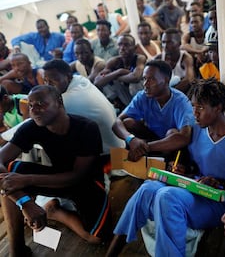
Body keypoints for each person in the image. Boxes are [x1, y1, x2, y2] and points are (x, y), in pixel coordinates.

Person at [106, 78, 225, 256]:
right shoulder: (198, 129)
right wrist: (180, 168)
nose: (194, 113)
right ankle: (114, 250)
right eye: (193, 107)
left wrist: (219, 182)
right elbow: (189, 162)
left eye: (200, 107)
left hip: (219, 202)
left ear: (217, 108)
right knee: (147, 188)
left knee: (166, 196)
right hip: (194, 189)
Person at [0, 85, 111, 256]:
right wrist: (25, 203)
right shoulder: (33, 126)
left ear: (59, 102)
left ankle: (54, 212)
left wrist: (27, 180)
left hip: (87, 183)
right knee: (8, 178)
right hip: (54, 176)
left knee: (97, 238)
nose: (34, 110)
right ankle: (17, 250)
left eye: (40, 103)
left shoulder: (86, 128)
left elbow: (76, 176)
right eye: (30, 105)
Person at [111, 59, 194, 162]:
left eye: (152, 79)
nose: (146, 84)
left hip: (171, 146)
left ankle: (167, 165)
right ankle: (140, 159)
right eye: (145, 79)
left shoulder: (180, 101)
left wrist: (146, 147)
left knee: (172, 132)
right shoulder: (142, 96)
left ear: (166, 80)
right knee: (128, 122)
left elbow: (184, 137)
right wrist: (131, 139)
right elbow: (116, 123)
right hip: (153, 138)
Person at [94, 34, 147, 110]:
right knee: (107, 83)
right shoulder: (114, 61)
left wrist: (115, 76)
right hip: (126, 97)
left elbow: (136, 77)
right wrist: (119, 72)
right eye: (120, 45)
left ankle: (143, 108)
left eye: (126, 45)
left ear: (135, 48)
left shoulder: (140, 58)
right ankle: (124, 107)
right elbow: (97, 82)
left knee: (134, 84)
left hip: (143, 96)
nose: (122, 48)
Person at [155, 28, 195, 93]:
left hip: (182, 94)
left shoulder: (186, 58)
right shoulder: (158, 59)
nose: (165, 46)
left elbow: (189, 79)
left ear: (179, 43)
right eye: (163, 42)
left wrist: (170, 93)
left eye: (169, 42)